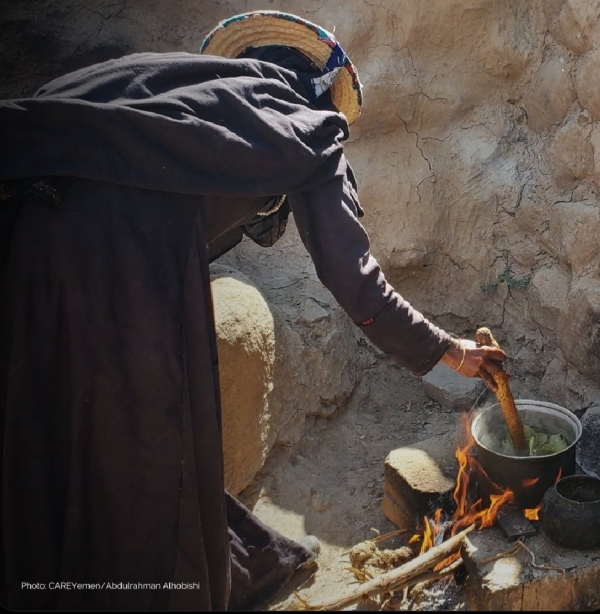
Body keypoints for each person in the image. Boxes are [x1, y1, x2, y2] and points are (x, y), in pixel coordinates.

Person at [0, 10, 507, 612]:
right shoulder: (308, 125)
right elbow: (357, 282)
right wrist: (449, 353)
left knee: (40, 425)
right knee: (144, 451)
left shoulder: (178, 84)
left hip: (17, 242)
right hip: (113, 273)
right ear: (323, 89)